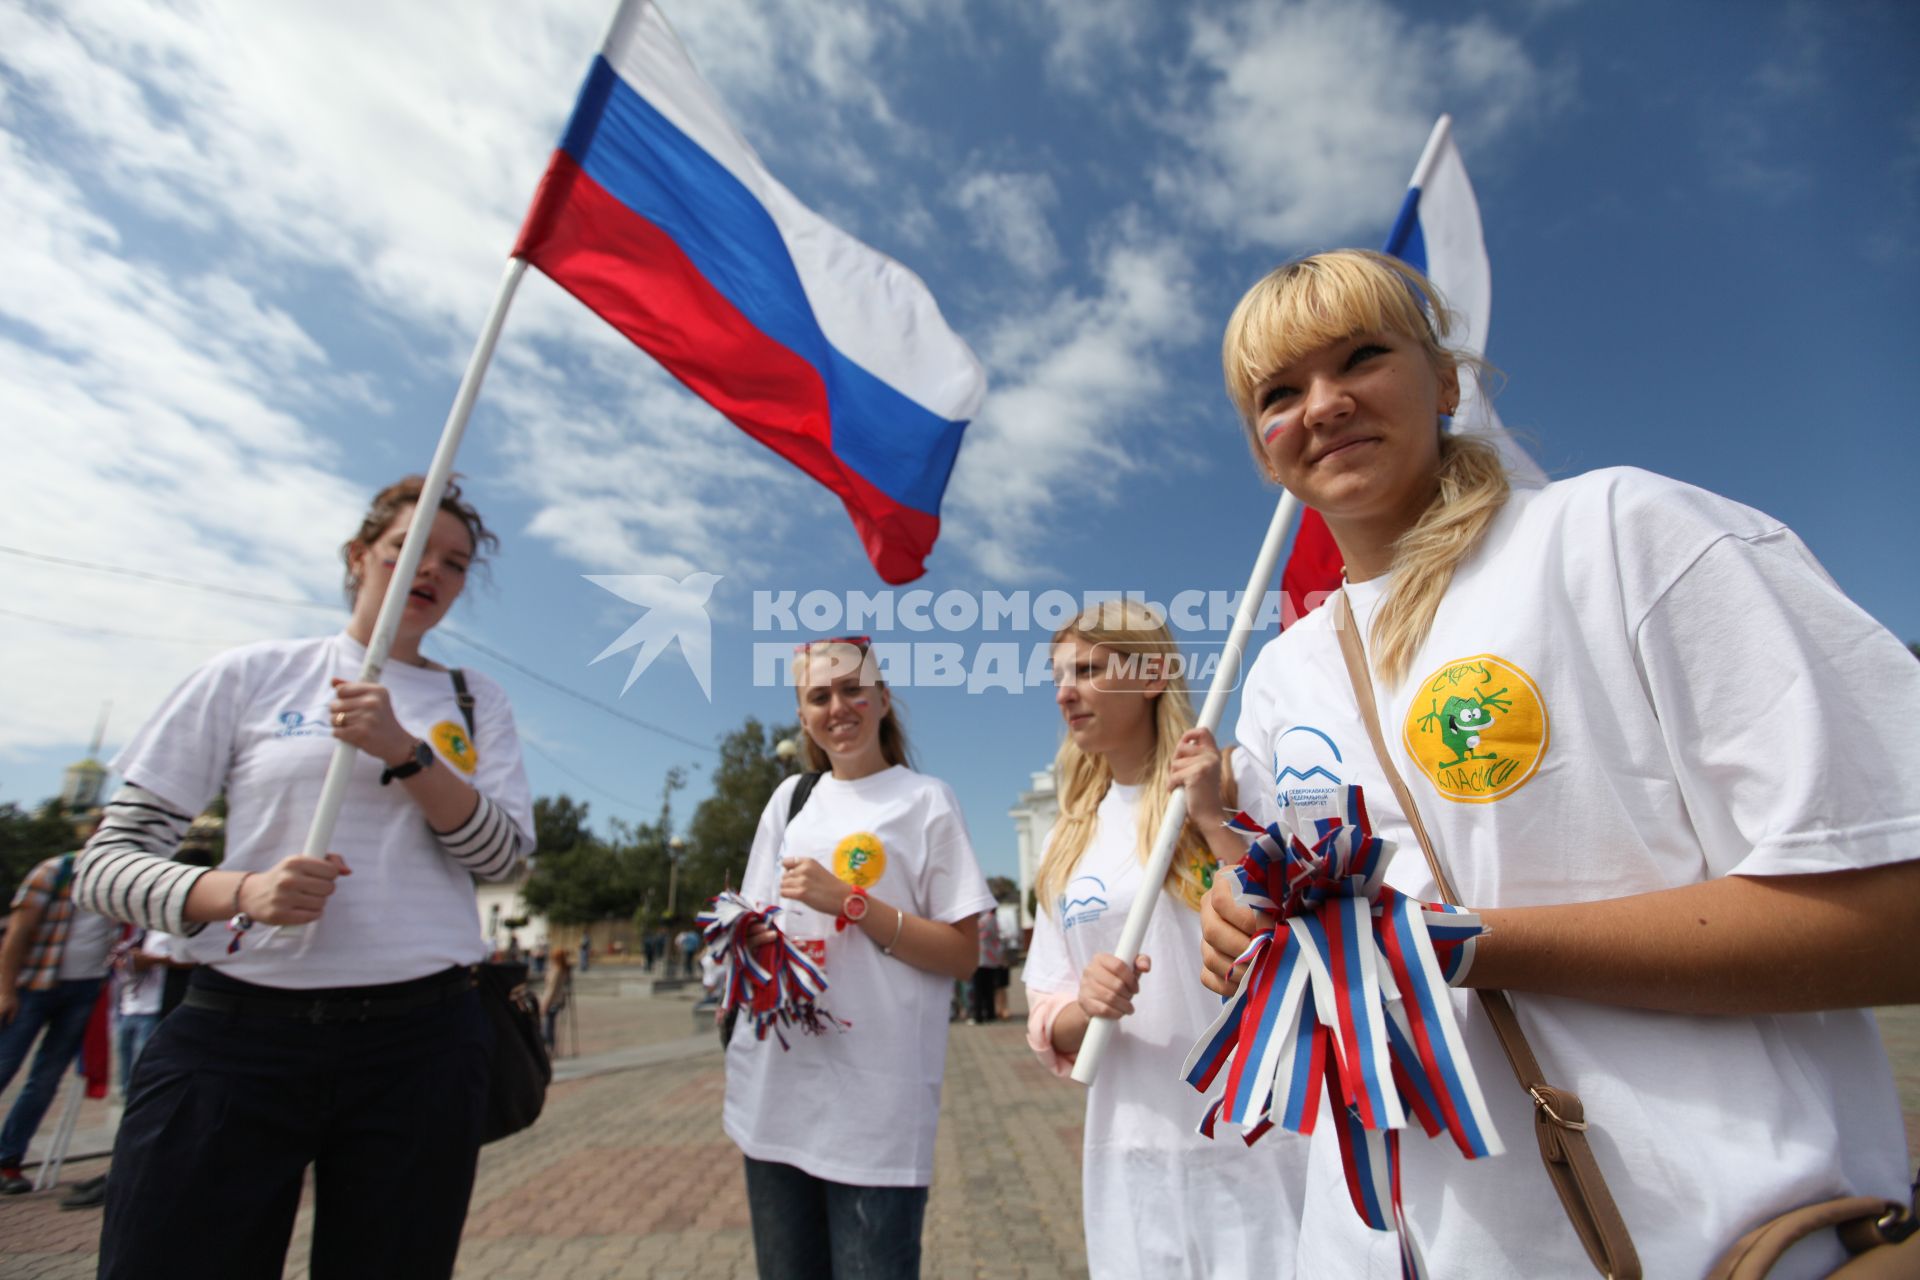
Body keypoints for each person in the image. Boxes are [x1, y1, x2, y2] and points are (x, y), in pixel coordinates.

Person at [1199, 249, 1920, 1278]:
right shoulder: (1283, 674)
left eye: (1362, 355)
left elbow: (1896, 907)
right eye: (1279, 392)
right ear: (1262, 449)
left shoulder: (1625, 535)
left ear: (1447, 382)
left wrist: (1462, 943)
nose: (1324, 403)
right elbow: (1315, 919)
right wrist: (1247, 918)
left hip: (1711, 1240)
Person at [74, 475, 535, 1279]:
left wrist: (406, 752)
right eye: (408, 550)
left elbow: (501, 859)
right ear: (360, 556)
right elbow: (106, 867)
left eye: (455, 563)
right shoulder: (252, 675)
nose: (431, 572)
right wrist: (238, 893)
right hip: (235, 1037)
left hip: (422, 1045)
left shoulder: (473, 699)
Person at [1022, 601, 1307, 1278]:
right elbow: (1046, 1013)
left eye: (1088, 670)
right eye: (1058, 676)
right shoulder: (1068, 837)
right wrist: (1083, 1009)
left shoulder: (1232, 780)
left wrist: (1212, 821)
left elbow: (1292, 928)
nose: (1065, 691)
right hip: (1131, 1149)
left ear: (1151, 675)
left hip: (1258, 1143)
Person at [724, 637, 994, 1280]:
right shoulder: (791, 798)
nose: (837, 707)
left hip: (877, 1107)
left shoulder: (926, 799)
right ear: (802, 713)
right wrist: (748, 939)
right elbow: (754, 915)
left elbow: (963, 955)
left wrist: (848, 902)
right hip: (778, 1094)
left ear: (881, 699)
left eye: (852, 690)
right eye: (819, 696)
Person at [0, 850, 117, 1195]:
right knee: (5, 1066)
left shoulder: (124, 878)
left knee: (46, 1080)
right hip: (33, 985)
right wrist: (5, 990)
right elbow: (17, 934)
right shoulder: (56, 871)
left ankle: (9, 1160)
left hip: (85, 990)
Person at [969, 908, 1003, 1024]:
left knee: (978, 989)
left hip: (980, 958)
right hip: (991, 959)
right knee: (989, 989)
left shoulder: (982, 920)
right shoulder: (994, 919)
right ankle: (990, 1014)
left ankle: (978, 1016)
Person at [542, 945, 573, 1055]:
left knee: (548, 1025)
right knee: (549, 1024)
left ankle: (549, 1046)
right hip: (557, 1000)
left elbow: (552, 989)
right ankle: (550, 1046)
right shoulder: (561, 969)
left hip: (553, 1000)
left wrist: (545, 1004)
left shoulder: (558, 970)